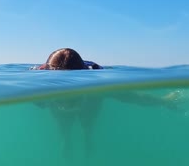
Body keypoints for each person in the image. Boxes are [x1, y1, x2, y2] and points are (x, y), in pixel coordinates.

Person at [32, 48, 179, 159]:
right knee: (65, 136)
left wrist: (164, 101)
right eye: (61, 97)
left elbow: (131, 96)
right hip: (67, 95)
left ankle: (88, 148)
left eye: (72, 98)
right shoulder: (42, 83)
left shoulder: (96, 83)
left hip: (88, 100)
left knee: (87, 130)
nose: (67, 104)